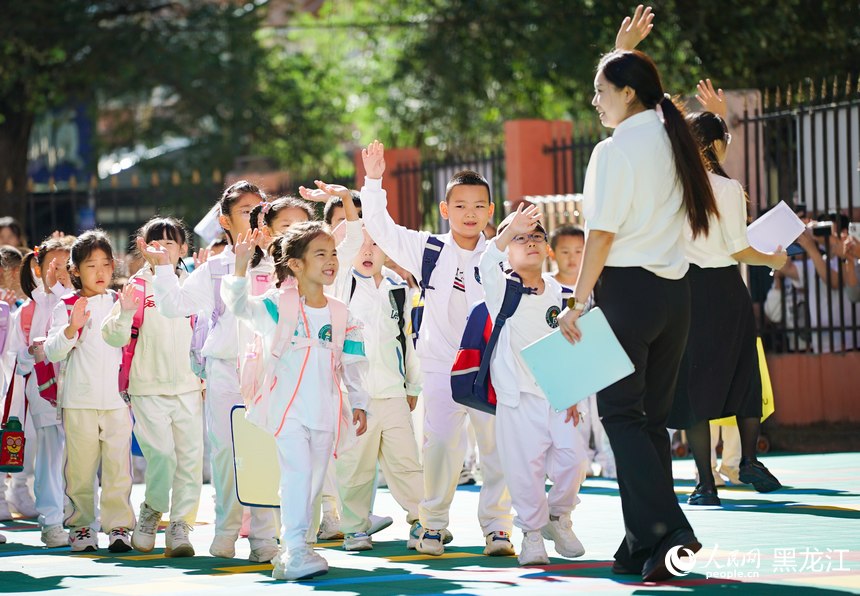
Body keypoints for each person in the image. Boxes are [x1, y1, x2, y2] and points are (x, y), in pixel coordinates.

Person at [555, 43, 712, 580]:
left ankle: (668, 529)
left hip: (628, 293)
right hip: (674, 296)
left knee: (622, 417)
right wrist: (628, 49)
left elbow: (600, 235)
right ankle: (641, 543)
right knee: (649, 423)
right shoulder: (675, 140)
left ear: (626, 93)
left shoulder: (615, 149)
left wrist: (576, 301)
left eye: (601, 91)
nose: (594, 101)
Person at [361, 140, 514, 557]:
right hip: (441, 368)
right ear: (446, 211)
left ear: (490, 211)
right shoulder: (428, 248)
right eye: (460, 206)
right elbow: (379, 227)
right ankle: (431, 526)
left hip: (491, 369)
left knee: (496, 449)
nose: (470, 213)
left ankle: (498, 529)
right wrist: (373, 180)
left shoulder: (502, 257)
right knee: (442, 446)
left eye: (479, 206)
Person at [221, 224, 369, 581]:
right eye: (321, 254)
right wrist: (240, 268)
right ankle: (297, 548)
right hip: (287, 410)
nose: (331, 261)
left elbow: (353, 362)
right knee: (297, 476)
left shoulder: (340, 312)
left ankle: (294, 549)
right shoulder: (277, 304)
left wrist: (360, 402)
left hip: (326, 411)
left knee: (314, 482)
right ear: (296, 264)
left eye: (333, 253)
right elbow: (240, 308)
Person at [667, 87, 787, 505]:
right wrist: (773, 259)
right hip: (725, 289)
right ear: (717, 144)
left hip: (686, 290)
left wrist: (710, 119)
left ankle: (705, 484)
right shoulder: (728, 188)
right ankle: (748, 459)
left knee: (693, 383)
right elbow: (739, 249)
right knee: (743, 374)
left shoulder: (673, 186)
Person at [151, 181, 279, 562]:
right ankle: (226, 530)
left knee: (264, 453)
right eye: (246, 211)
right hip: (225, 372)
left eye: (262, 210)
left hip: (272, 372)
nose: (257, 217)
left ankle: (264, 538)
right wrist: (161, 268)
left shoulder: (282, 263)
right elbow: (173, 305)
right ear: (224, 220)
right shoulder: (215, 268)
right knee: (225, 454)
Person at [480, 205, 589, 566]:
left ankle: (559, 518)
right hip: (518, 397)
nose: (529, 242)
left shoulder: (563, 294)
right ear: (508, 248)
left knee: (574, 461)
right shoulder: (502, 289)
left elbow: (573, 343)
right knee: (524, 470)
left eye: (536, 237)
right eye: (520, 238)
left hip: (559, 395)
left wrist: (572, 390)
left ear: (547, 249)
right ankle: (530, 535)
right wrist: (508, 230)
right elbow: (485, 263)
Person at [102, 217, 204, 558]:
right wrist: (125, 312)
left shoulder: (192, 284)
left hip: (190, 388)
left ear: (184, 248)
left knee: (190, 460)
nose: (163, 248)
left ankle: (180, 526)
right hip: (146, 389)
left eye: (171, 242)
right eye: (154, 242)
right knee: (162, 457)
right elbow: (113, 336)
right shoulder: (137, 287)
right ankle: (151, 512)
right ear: (143, 248)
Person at [331, 225, 423, 552]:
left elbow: (407, 340)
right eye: (362, 244)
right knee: (356, 466)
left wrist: (413, 383)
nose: (369, 251)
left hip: (394, 392)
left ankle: (422, 522)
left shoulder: (399, 288)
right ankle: (355, 529)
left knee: (406, 461)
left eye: (377, 243)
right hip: (355, 396)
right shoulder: (343, 285)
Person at [44, 230, 136, 553]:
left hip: (115, 400)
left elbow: (123, 340)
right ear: (75, 270)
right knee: (80, 469)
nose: (99, 272)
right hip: (79, 401)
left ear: (113, 267)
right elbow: (53, 350)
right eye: (90, 265)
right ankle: (82, 527)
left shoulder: (118, 301)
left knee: (117, 468)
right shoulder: (67, 305)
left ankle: (119, 526)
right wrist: (72, 327)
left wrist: (125, 313)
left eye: (105, 264)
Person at [13, 235, 75, 547]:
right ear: (39, 266)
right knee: (50, 458)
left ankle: (80, 517)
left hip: (80, 392)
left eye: (67, 266)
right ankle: (51, 520)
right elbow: (20, 358)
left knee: (82, 457)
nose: (60, 272)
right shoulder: (27, 309)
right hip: (44, 394)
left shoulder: (81, 301)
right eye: (54, 265)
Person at [550, 225, 616, 478]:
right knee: (575, 417)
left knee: (601, 415)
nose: (572, 257)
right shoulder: (549, 286)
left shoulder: (595, 283)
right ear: (553, 253)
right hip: (566, 363)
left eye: (579, 251)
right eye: (565, 251)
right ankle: (580, 464)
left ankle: (610, 461)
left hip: (595, 359)